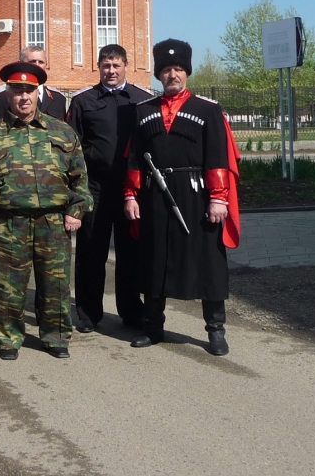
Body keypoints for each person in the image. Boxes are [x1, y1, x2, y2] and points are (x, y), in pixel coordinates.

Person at [123, 40, 241, 356]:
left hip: (197, 195)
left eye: (177, 69)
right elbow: (134, 158)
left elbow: (218, 156)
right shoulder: (143, 111)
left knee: (208, 262)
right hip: (154, 196)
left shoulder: (208, 110)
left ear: (186, 72)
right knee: (154, 260)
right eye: (166, 70)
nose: (172, 74)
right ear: (159, 74)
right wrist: (130, 196)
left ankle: (215, 331)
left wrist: (219, 198)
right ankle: (153, 328)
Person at [0, 62, 92, 360]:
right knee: (7, 286)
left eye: (29, 91)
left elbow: (80, 178)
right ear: (7, 94)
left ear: (38, 93)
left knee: (55, 284)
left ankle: (55, 336)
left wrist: (75, 212)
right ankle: (8, 338)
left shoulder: (62, 131)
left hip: (53, 222)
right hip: (7, 223)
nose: (23, 97)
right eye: (17, 91)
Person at [67, 44, 152, 333]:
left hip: (130, 189)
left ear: (126, 65)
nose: (111, 71)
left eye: (116, 65)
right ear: (99, 67)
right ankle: (89, 312)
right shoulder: (83, 101)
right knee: (92, 252)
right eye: (106, 65)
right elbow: (73, 148)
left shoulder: (141, 101)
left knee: (131, 253)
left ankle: (131, 311)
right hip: (95, 187)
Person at [0, 46, 68, 121]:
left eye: (41, 62)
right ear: (20, 63)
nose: (37, 65)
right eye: (32, 61)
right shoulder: (1, 95)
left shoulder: (58, 98)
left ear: (46, 65)